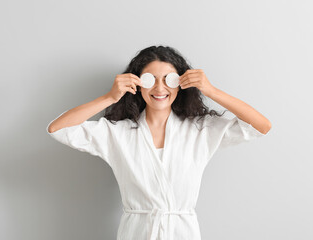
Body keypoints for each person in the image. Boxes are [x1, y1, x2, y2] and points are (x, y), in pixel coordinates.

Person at [46, 45, 272, 240]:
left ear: (181, 83)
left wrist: (211, 90)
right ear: (138, 83)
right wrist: (110, 97)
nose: (160, 88)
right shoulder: (117, 133)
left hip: (182, 233)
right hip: (137, 233)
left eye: (168, 79)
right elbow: (58, 129)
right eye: (151, 80)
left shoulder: (199, 130)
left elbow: (261, 126)